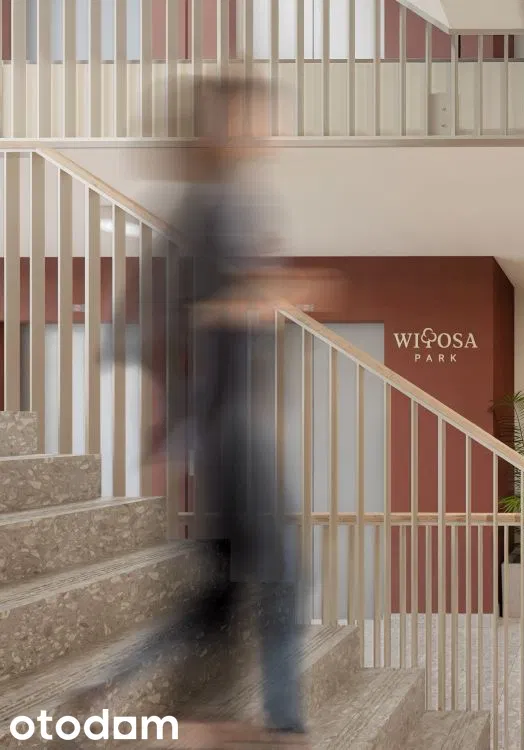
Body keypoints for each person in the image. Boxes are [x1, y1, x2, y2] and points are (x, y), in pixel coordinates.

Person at [76, 76, 311, 749]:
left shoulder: (207, 203)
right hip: (231, 423)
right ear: (223, 124)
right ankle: (284, 726)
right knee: (284, 575)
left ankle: (111, 684)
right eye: (254, 115)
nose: (267, 127)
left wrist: (169, 425)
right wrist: (275, 294)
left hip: (213, 425)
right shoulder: (219, 202)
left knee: (220, 593)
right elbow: (201, 312)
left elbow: (166, 318)